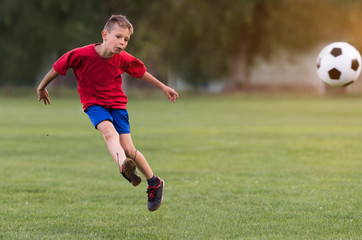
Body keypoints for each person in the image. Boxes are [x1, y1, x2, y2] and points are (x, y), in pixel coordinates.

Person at [37, 14, 178, 212]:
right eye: (118, 37)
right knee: (109, 133)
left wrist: (164, 87)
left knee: (129, 148)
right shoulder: (81, 54)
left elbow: (141, 72)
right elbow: (58, 67)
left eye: (126, 40)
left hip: (118, 104)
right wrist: (42, 87)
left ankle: (154, 182)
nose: (122, 42)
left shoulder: (122, 59)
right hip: (94, 104)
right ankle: (124, 166)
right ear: (105, 34)